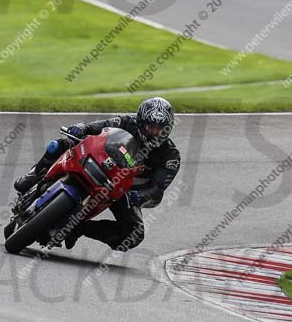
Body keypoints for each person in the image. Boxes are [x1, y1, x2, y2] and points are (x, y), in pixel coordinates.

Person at [13, 97, 181, 251]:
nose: (155, 133)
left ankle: (78, 228)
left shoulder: (171, 156)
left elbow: (157, 188)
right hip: (100, 161)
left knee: (134, 234)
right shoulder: (127, 122)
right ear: (141, 122)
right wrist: (82, 128)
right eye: (151, 127)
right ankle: (32, 177)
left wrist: (139, 196)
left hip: (124, 191)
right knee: (57, 145)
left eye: (160, 129)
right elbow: (99, 126)